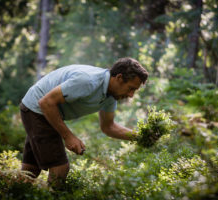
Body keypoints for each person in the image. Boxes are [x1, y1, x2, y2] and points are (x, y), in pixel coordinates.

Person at [19, 57, 148, 188]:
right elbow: (46, 102)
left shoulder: (111, 96)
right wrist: (68, 137)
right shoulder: (88, 81)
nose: (131, 95)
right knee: (60, 168)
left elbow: (108, 127)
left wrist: (141, 136)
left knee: (30, 170)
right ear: (119, 78)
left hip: (43, 109)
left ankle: (14, 191)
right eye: (131, 88)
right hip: (37, 108)